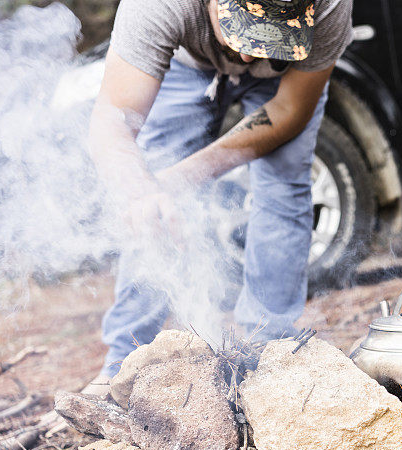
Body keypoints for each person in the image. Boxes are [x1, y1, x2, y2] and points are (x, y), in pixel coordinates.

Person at [86, 0, 352, 389]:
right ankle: (122, 366)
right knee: (150, 205)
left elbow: (291, 109)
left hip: (283, 81)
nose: (248, 53)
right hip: (183, 63)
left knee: (284, 184)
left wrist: (185, 174)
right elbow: (113, 116)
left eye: (272, 31)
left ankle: (270, 359)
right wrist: (144, 190)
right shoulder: (158, 5)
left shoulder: (329, 5)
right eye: (240, 27)